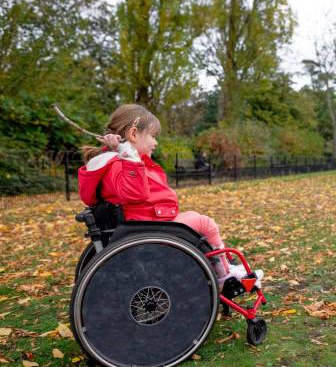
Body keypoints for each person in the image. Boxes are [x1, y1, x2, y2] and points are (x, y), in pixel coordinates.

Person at [77, 104, 262, 288]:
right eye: (153, 136)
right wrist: (128, 155)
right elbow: (136, 193)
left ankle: (222, 267)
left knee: (195, 217)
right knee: (205, 223)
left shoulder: (108, 165)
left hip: (143, 223)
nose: (155, 142)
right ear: (133, 134)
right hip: (148, 228)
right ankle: (224, 275)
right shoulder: (121, 165)